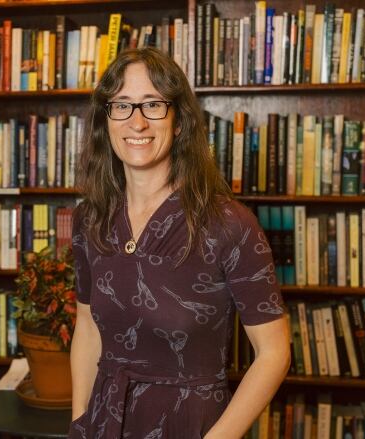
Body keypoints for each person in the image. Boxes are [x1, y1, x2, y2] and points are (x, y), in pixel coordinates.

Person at [69, 47, 290, 438]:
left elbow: (274, 353)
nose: (136, 122)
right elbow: (87, 326)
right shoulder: (91, 217)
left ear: (179, 120)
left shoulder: (229, 224)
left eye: (152, 104)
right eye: (122, 105)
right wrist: (79, 420)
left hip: (191, 425)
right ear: (107, 120)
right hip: (103, 422)